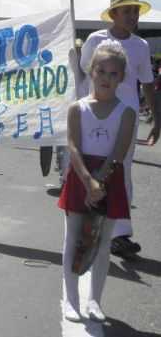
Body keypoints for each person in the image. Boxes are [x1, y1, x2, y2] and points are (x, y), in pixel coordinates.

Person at [59, 40, 136, 322]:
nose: (106, 78)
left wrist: (99, 182)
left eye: (113, 74)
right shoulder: (77, 108)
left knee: (102, 244)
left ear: (122, 77)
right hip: (81, 176)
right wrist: (88, 182)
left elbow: (119, 151)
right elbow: (73, 146)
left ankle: (94, 300)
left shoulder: (126, 112)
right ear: (91, 72)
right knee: (73, 239)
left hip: (109, 178)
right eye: (101, 71)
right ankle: (72, 300)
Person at [79, 0, 159, 259]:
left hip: (127, 116)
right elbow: (83, 71)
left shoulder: (141, 46)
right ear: (113, 14)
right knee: (92, 167)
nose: (133, 17)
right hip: (96, 114)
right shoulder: (96, 40)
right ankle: (87, 226)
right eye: (127, 11)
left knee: (121, 171)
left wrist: (157, 119)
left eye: (135, 12)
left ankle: (120, 234)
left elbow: (147, 83)